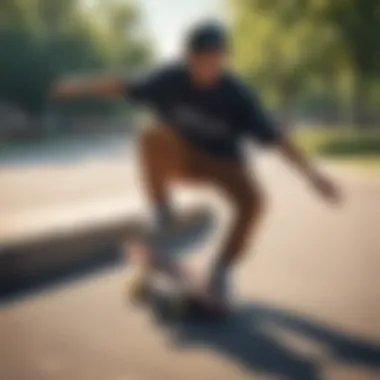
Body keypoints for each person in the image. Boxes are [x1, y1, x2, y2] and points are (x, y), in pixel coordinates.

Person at [52, 21, 340, 311]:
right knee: (150, 133)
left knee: (255, 203)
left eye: (215, 58)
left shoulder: (238, 95)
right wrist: (78, 86)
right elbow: (121, 84)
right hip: (184, 159)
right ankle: (161, 208)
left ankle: (222, 270)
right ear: (187, 57)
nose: (207, 65)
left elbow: (277, 139)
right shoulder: (168, 79)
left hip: (225, 164)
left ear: (225, 59)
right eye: (200, 58)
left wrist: (314, 177)